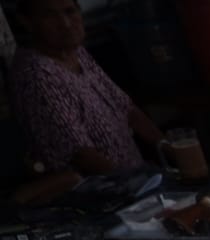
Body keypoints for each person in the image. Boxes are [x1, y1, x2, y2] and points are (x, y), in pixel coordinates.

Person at [8, 0, 162, 174]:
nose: (65, 24)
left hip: (137, 178)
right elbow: (82, 156)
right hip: (108, 191)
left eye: (70, 11)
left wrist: (171, 150)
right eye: (49, 16)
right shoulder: (37, 75)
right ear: (26, 22)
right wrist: (137, 183)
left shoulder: (75, 52)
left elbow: (128, 110)